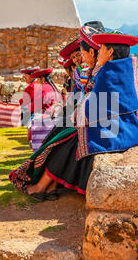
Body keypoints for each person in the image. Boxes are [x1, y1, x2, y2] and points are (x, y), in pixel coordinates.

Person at [9, 25, 105, 202]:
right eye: (76, 56)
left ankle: (41, 186)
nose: (79, 58)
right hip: (86, 118)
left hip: (97, 124)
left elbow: (96, 101)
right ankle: (50, 186)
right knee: (58, 133)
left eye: (81, 54)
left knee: (62, 141)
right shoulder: (88, 72)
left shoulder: (101, 71)